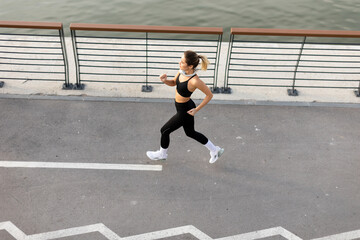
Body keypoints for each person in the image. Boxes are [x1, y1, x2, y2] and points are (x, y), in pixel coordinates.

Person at [146, 50, 224, 164]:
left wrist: (196, 109)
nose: (179, 63)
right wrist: (164, 81)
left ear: (190, 66)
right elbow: (173, 82)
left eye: (182, 62)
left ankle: (162, 154)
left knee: (164, 130)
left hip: (185, 111)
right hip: (182, 106)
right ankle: (215, 150)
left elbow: (209, 95)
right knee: (190, 132)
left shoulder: (195, 81)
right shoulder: (181, 71)